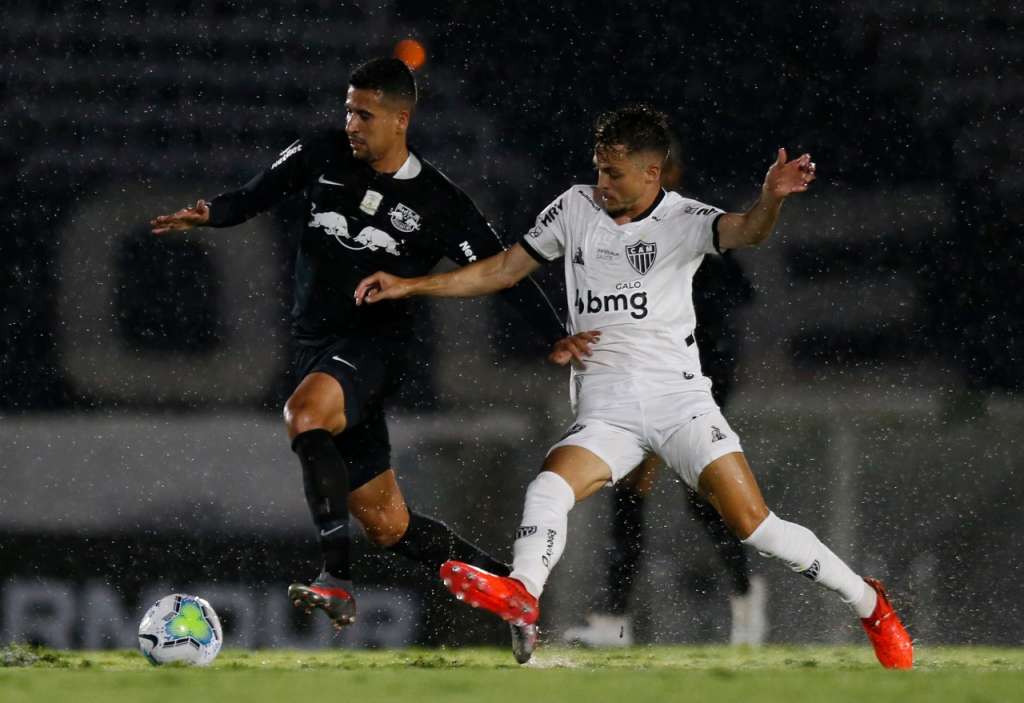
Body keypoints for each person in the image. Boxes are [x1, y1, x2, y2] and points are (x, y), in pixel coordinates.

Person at [353, 105, 913, 669]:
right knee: (549, 486)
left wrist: (771, 198)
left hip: (680, 403)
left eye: (614, 174)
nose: (602, 184)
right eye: (598, 170)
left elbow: (747, 230)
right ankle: (522, 591)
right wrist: (410, 286)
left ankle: (870, 603)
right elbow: (501, 269)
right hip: (608, 410)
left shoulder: (686, 218)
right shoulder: (573, 208)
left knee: (755, 527)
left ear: (652, 173)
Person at [150, 57, 565, 629]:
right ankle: (517, 599)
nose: (351, 123)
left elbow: (503, 271)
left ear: (401, 118)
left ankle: (336, 579)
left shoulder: (439, 202)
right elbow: (255, 194)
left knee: (305, 414)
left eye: (364, 114)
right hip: (314, 345)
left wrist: (557, 337)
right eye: (348, 110)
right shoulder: (323, 152)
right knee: (389, 524)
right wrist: (211, 215)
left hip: (374, 348)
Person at [564, 133, 763, 648]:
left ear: (664, 174)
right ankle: (613, 621)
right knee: (629, 490)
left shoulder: (690, 223)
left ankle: (745, 598)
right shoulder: (616, 227)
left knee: (702, 498)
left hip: (696, 376)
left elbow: (736, 294)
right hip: (643, 375)